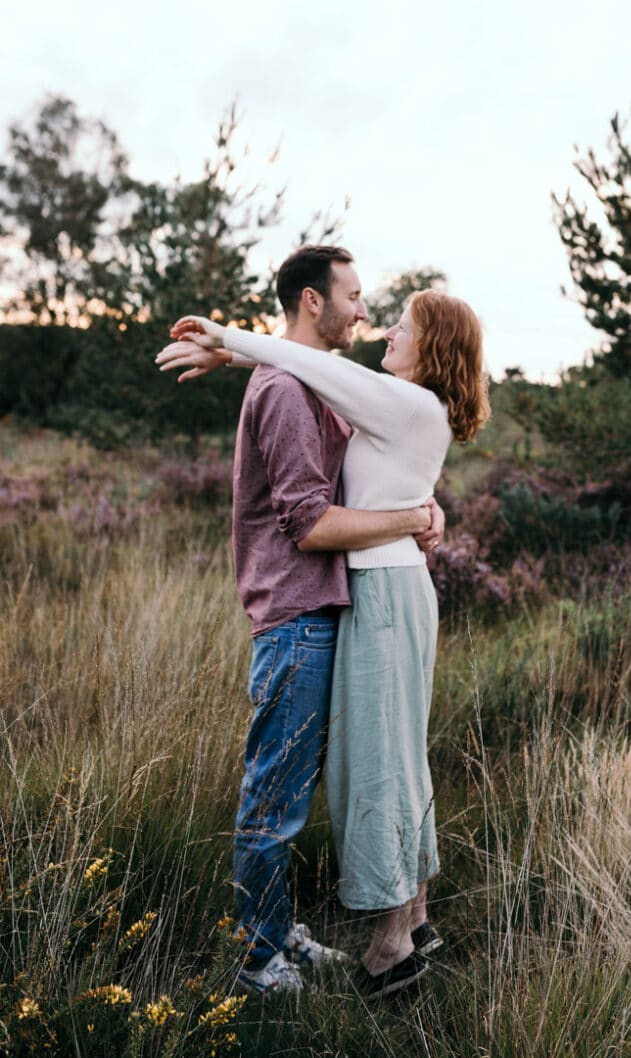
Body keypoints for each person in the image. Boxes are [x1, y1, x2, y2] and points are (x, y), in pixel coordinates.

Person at [158, 281, 490, 997]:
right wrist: (237, 358)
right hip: (386, 589)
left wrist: (225, 337)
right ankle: (414, 916)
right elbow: (312, 371)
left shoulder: (402, 401)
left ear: (431, 346)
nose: (384, 331)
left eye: (400, 326)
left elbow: (324, 370)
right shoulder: (403, 404)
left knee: (378, 763)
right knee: (397, 755)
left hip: (385, 592)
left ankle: (390, 944)